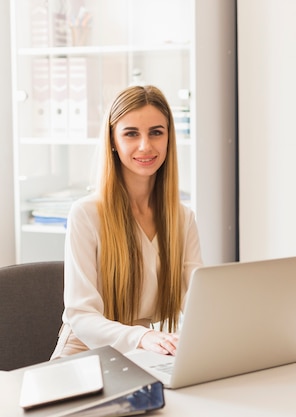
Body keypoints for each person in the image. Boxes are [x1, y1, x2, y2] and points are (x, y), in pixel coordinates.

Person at [51, 85, 203, 359]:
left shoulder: (182, 218)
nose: (145, 146)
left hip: (146, 353)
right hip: (84, 354)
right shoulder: (86, 214)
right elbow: (82, 316)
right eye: (131, 134)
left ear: (168, 138)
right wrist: (144, 336)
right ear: (112, 140)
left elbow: (199, 302)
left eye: (156, 132)